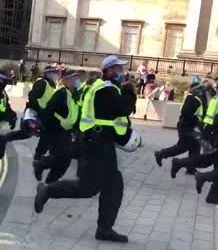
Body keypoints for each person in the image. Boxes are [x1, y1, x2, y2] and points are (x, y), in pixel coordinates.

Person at [34, 55, 136, 243]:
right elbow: (124, 109)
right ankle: (47, 190)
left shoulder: (101, 86)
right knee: (87, 188)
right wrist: (130, 92)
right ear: (109, 70)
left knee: (114, 185)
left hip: (100, 143)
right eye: (119, 69)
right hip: (95, 145)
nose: (123, 72)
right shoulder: (106, 90)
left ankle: (105, 229)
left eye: (122, 69)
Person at [170, 79, 218, 181]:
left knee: (214, 158)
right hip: (216, 131)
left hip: (210, 129)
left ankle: (181, 163)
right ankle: (181, 164)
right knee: (211, 159)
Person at [32, 70, 81, 184]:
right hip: (55, 130)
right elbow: (49, 110)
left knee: (66, 159)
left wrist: (77, 129)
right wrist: (45, 129)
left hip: (66, 131)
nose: (78, 80)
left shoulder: (73, 95)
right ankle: (40, 164)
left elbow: (74, 114)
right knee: (62, 156)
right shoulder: (61, 93)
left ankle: (50, 183)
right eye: (75, 77)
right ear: (67, 79)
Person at [155, 78, 206, 175]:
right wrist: (197, 120)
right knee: (182, 147)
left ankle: (191, 168)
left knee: (195, 147)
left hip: (189, 125)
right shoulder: (193, 98)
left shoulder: (193, 97)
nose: (202, 91)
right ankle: (161, 154)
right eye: (200, 89)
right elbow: (186, 112)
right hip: (187, 126)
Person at [27, 65, 57, 161]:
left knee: (47, 136)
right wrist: (39, 109)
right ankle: (39, 156)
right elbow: (32, 97)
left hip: (46, 114)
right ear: (48, 73)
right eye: (53, 73)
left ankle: (40, 155)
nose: (55, 75)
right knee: (46, 135)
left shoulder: (51, 85)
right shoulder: (42, 83)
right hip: (40, 113)